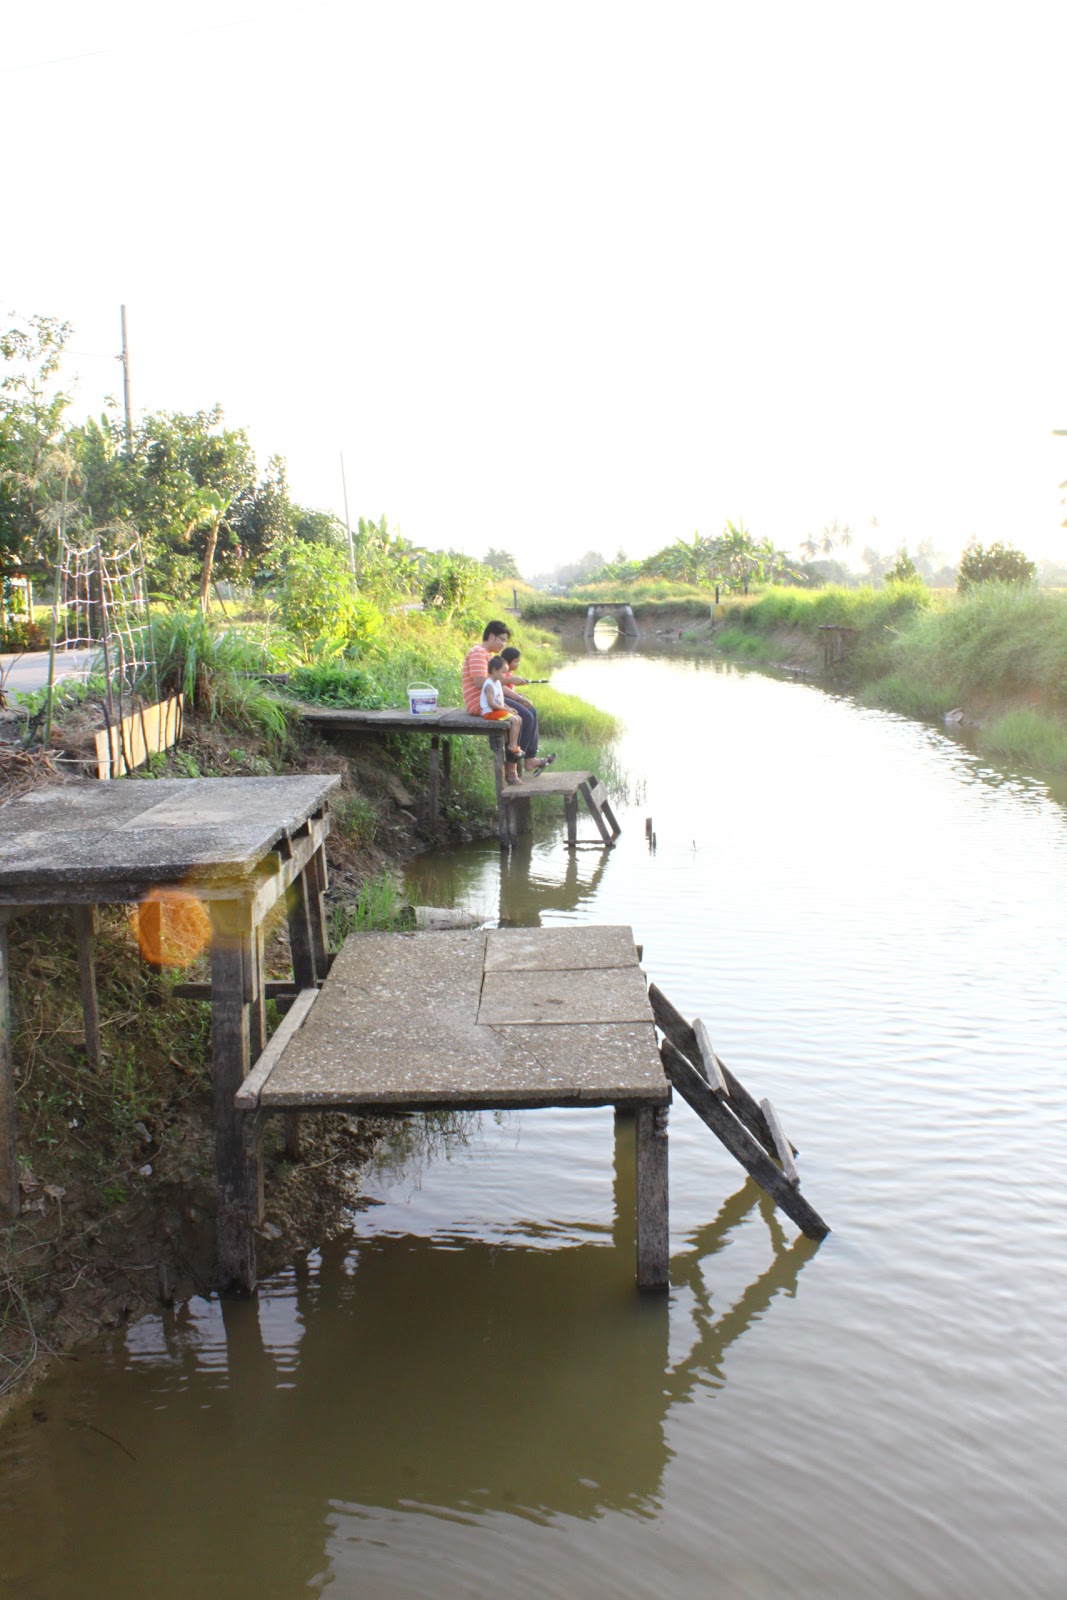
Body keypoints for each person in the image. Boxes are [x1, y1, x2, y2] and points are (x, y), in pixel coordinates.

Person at [479, 656, 525, 784]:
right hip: (490, 713)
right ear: (494, 670)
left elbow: (501, 701)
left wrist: (509, 708)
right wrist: (507, 711)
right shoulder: (489, 684)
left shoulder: (498, 683)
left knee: (518, 718)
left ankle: (513, 744)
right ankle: (512, 746)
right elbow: (491, 703)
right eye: (503, 672)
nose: (505, 675)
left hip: (497, 710)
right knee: (515, 721)